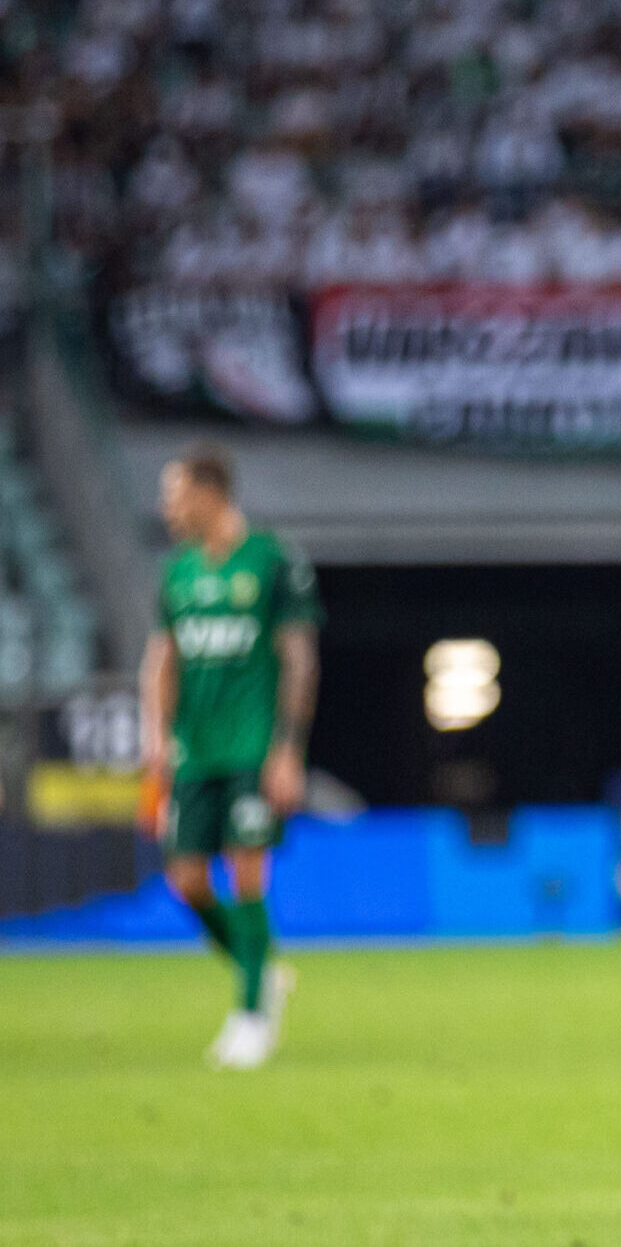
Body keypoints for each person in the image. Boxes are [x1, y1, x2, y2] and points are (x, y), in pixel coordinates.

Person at [139, 442, 321, 1070]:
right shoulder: (178, 573)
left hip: (251, 746)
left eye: (174, 492)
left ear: (209, 493)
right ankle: (258, 969)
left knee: (246, 870)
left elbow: (298, 658)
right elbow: (163, 658)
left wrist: (287, 750)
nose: (166, 507)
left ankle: (250, 1018)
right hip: (195, 750)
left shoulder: (272, 561)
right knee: (186, 880)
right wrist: (156, 735)